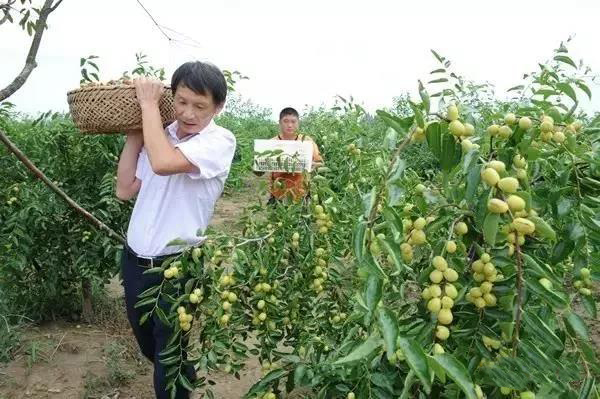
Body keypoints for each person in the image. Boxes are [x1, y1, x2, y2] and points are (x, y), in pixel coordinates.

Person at [115, 61, 236, 399]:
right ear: (173, 98)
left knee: (167, 355)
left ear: (218, 107)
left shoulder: (219, 141)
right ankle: (185, 376)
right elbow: (125, 188)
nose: (189, 113)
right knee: (153, 347)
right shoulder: (161, 135)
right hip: (135, 261)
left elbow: (164, 164)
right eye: (181, 102)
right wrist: (135, 133)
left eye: (200, 106)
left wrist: (148, 106)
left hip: (176, 268)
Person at [264, 107, 323, 203]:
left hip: (301, 193)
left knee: (303, 216)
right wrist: (258, 165)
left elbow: (320, 162)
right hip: (278, 193)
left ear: (298, 123)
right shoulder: (272, 143)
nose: (290, 125)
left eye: (293, 121)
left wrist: (312, 165)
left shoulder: (306, 141)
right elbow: (259, 171)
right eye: (286, 121)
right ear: (279, 122)